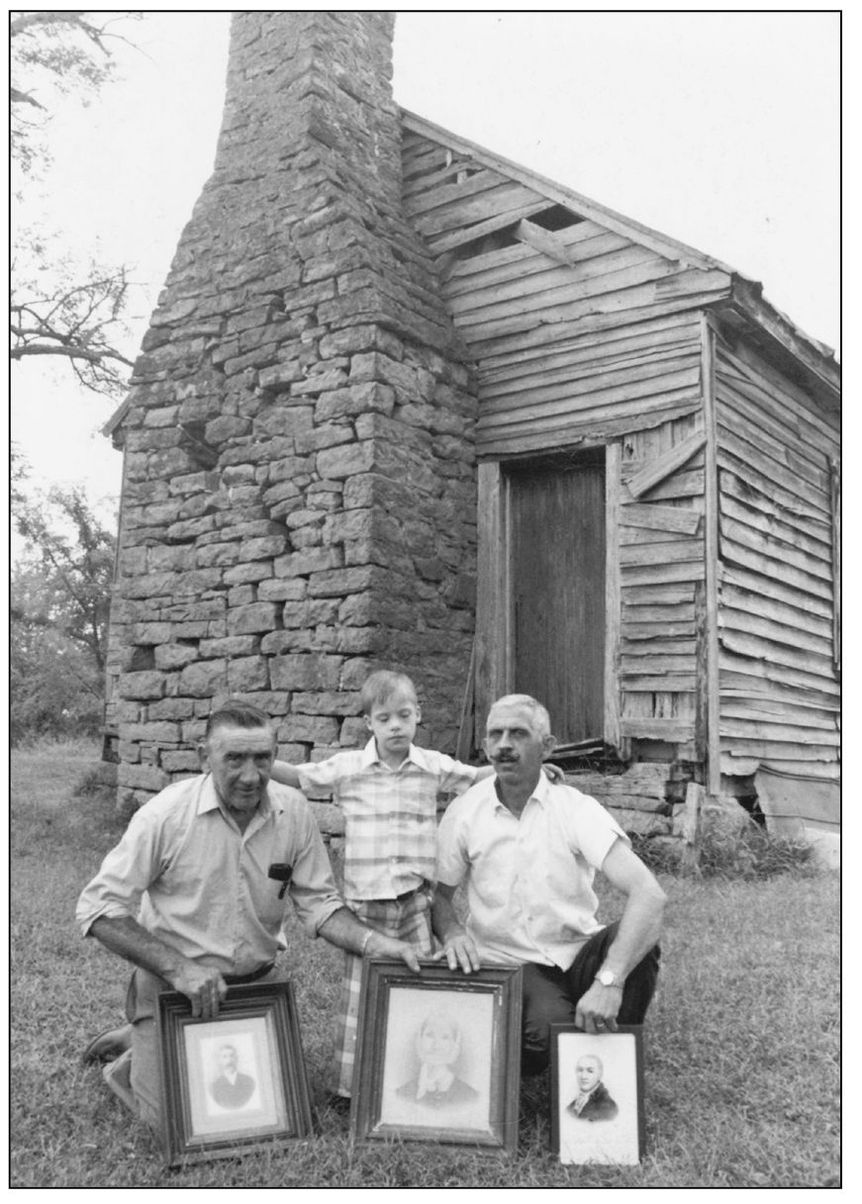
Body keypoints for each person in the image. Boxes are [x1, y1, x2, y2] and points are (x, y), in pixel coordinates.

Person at [76, 699, 422, 1130]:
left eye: (262, 758)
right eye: (234, 759)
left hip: (256, 988)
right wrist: (179, 968)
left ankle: (146, 1038)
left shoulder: (293, 812)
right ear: (205, 758)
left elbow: (321, 905)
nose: (250, 775)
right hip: (173, 987)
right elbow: (98, 909)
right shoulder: (165, 815)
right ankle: (140, 1047)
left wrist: (377, 943)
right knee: (172, 1124)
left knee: (278, 1116)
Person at [268, 670, 493, 1103]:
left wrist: (532, 772)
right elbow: (298, 776)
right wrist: (259, 762)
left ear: (417, 717)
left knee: (417, 988)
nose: (395, 726)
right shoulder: (349, 768)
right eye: (384, 717)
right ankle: (349, 1089)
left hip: (415, 904)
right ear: (369, 722)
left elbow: (474, 776)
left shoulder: (431, 765)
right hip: (366, 908)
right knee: (359, 996)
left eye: (404, 716)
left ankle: (409, 1076)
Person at [433, 693, 665, 1076]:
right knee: (551, 1043)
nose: (504, 745)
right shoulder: (464, 812)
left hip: (577, 953)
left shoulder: (574, 808)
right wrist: (453, 931)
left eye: (519, 734)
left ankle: (613, 1066)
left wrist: (609, 980)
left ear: (548, 746)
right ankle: (563, 1042)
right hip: (513, 963)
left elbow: (650, 895)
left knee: (639, 943)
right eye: (495, 735)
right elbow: (440, 897)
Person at [395, 1012, 478, 1110]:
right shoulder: (401, 1094)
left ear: (454, 1044)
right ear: (420, 1039)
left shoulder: (471, 1097)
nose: (436, 1045)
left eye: (445, 1037)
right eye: (430, 1035)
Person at [566, 1054, 618, 1121]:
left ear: (599, 1074)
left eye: (590, 1071)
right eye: (580, 1070)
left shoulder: (609, 1107)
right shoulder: (571, 1106)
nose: (583, 1076)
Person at [209, 1043, 256, 1110]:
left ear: (236, 1058)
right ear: (220, 1061)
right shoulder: (215, 1086)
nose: (229, 1060)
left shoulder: (249, 1081)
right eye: (224, 1057)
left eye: (231, 1056)